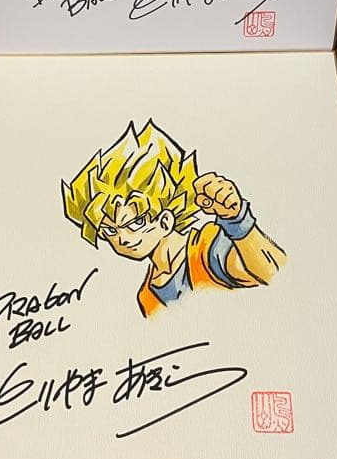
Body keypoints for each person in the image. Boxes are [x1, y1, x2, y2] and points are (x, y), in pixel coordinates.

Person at [61, 119, 286, 317]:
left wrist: (237, 220)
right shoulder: (147, 296)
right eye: (110, 230)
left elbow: (270, 273)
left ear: (165, 221)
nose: (122, 238)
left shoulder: (206, 248)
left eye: (136, 223)